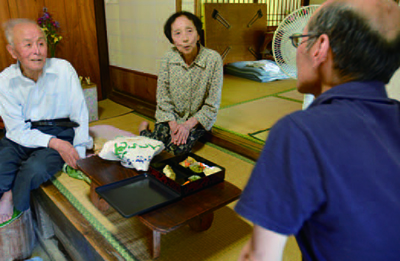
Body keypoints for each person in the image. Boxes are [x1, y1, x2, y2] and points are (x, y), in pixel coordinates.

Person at [234, 0, 400, 260]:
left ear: (320, 47)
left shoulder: (298, 132)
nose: (297, 49)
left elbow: (259, 256)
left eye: (300, 37)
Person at [0, 19, 92, 223]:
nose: (37, 51)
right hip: (22, 134)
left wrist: (80, 150)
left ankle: (13, 199)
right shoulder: (5, 81)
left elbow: (80, 112)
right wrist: (55, 144)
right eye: (28, 45)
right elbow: (16, 130)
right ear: (13, 51)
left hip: (59, 130)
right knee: (1, 165)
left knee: (36, 169)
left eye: (41, 43)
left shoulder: (63, 69)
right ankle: (5, 191)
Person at [139, 11, 223, 155]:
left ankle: (150, 133)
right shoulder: (167, 58)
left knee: (177, 150)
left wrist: (187, 125)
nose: (185, 38)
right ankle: (143, 131)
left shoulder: (213, 59)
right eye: (177, 33)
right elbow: (163, 97)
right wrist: (173, 124)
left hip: (196, 120)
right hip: (170, 116)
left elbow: (212, 104)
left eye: (189, 31)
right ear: (171, 39)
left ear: (198, 34)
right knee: (153, 147)